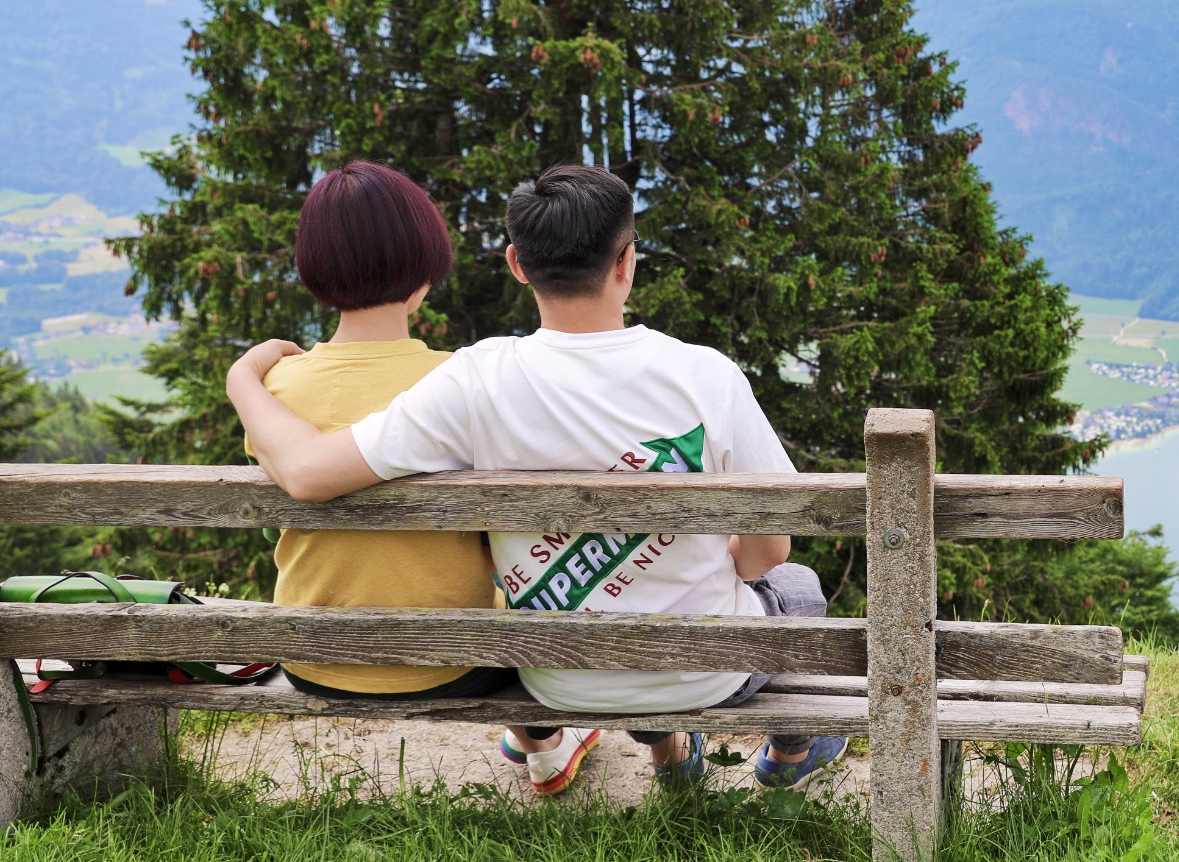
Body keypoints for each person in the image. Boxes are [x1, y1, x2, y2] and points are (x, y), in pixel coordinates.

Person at [227, 164, 845, 797]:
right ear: (627, 262)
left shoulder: (474, 381)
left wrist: (242, 379)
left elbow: (306, 471)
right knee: (793, 586)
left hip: (556, 676)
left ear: (517, 264)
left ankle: (669, 749)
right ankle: (793, 749)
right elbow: (767, 552)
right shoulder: (707, 375)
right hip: (702, 675)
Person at [255, 160, 509, 702]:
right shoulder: (468, 381)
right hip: (455, 659)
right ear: (425, 269)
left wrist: (242, 375)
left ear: (315, 271)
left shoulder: (275, 389)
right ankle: (541, 744)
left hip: (313, 659)